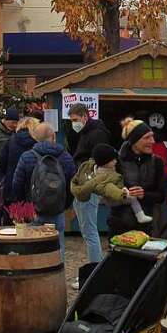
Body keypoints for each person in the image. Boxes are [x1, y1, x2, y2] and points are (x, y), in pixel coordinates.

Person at [10, 123, 76, 258]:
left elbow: (17, 184)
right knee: (58, 247)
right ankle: (57, 275)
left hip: (33, 210)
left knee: (33, 248)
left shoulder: (27, 157)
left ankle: (34, 276)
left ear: (35, 138)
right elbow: (72, 184)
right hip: (57, 210)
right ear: (53, 136)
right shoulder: (65, 157)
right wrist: (65, 205)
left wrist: (24, 207)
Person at [66, 103, 110, 270]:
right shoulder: (85, 133)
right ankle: (95, 269)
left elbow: (98, 162)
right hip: (84, 185)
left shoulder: (96, 134)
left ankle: (95, 270)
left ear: (85, 116)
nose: (73, 123)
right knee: (88, 231)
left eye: (75, 119)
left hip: (88, 186)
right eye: (71, 120)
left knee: (89, 231)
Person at [110, 121, 166, 234]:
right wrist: (124, 194)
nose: (152, 141)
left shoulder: (157, 162)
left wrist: (144, 194)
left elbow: (161, 195)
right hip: (121, 225)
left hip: (148, 227)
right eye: (147, 138)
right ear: (134, 141)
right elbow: (110, 194)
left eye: (152, 137)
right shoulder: (116, 162)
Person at [0, 116, 39, 214]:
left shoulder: (11, 141)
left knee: (14, 219)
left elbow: (2, 162)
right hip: (32, 187)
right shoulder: (37, 142)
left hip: (11, 186)